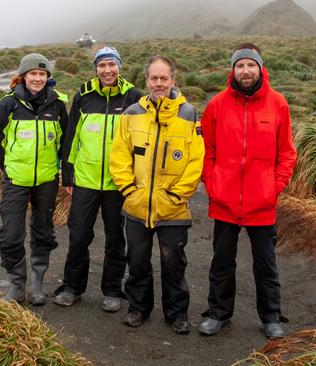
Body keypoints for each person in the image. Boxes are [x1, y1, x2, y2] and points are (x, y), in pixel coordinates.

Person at [198, 43, 297, 338]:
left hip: (262, 203)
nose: (245, 71)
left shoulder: (278, 104)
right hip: (225, 201)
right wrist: (213, 184)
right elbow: (206, 150)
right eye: (240, 65)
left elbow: (287, 153)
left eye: (250, 65)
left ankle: (270, 317)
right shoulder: (217, 104)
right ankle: (218, 314)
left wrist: (273, 188)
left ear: (260, 68)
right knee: (222, 262)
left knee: (266, 265)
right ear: (233, 70)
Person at [109, 55, 204, 335]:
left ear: (173, 80)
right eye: (154, 78)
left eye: (164, 78)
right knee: (137, 261)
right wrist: (128, 190)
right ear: (146, 80)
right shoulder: (131, 113)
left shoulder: (188, 113)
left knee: (173, 262)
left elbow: (195, 160)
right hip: (137, 205)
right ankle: (138, 308)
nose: (159, 83)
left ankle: (177, 313)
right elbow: (119, 156)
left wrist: (178, 195)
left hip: (173, 207)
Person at [53, 47, 143, 312]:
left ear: (119, 66)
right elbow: (71, 136)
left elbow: (140, 140)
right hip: (85, 180)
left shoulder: (133, 97)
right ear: (96, 69)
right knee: (79, 235)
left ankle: (113, 290)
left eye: (111, 65)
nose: (107, 71)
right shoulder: (83, 95)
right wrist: (68, 175)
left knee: (116, 238)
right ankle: (72, 287)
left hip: (118, 182)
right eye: (102, 65)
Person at [0, 53, 68, 306]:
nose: (38, 78)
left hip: (46, 180)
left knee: (43, 231)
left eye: (43, 74)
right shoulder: (8, 104)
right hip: (16, 180)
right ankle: (16, 285)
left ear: (47, 77)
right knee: (11, 234)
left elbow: (65, 142)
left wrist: (59, 169)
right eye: (33, 73)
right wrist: (9, 167)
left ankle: (37, 285)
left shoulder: (56, 104)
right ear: (23, 76)